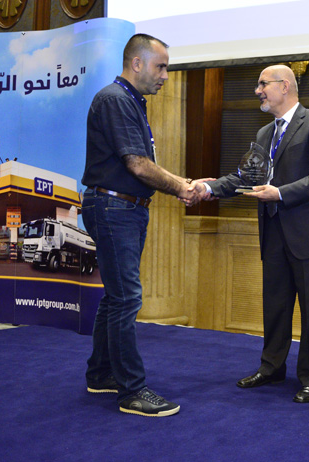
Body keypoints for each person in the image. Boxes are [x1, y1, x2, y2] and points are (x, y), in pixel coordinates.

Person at [81, 33, 205, 417]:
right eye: (161, 66)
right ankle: (132, 391)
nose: (165, 75)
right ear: (136, 63)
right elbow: (137, 164)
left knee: (116, 296)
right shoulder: (115, 100)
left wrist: (181, 183)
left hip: (124, 208)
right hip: (114, 207)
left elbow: (140, 163)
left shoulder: (129, 101)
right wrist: (182, 187)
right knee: (127, 298)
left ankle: (101, 373)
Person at [203, 65, 309, 403]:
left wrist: (279, 193)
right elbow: (245, 177)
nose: (258, 91)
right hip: (274, 233)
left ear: (285, 86)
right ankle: (272, 367)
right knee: (275, 307)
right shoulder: (265, 133)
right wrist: (207, 188)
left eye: (263, 84)